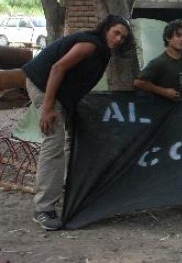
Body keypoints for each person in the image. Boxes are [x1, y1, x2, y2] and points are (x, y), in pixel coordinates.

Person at [21, 15, 135, 230]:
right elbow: (57, 69)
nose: (119, 39)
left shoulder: (103, 52)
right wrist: (47, 107)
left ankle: (66, 189)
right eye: (116, 33)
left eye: (123, 36)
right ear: (105, 29)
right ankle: (43, 208)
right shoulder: (90, 45)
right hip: (43, 85)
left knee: (71, 139)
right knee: (53, 144)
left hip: (61, 94)